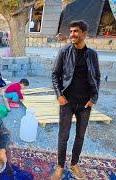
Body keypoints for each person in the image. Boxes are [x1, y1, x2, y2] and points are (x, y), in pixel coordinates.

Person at [51, 20, 100, 180]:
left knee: (80, 136)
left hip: (85, 104)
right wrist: (59, 95)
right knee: (63, 136)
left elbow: (97, 77)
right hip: (67, 102)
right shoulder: (64, 51)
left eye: (76, 31)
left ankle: (74, 164)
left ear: (84, 34)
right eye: (71, 31)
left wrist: (94, 98)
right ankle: (59, 166)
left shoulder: (92, 55)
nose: (72, 34)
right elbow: (55, 74)